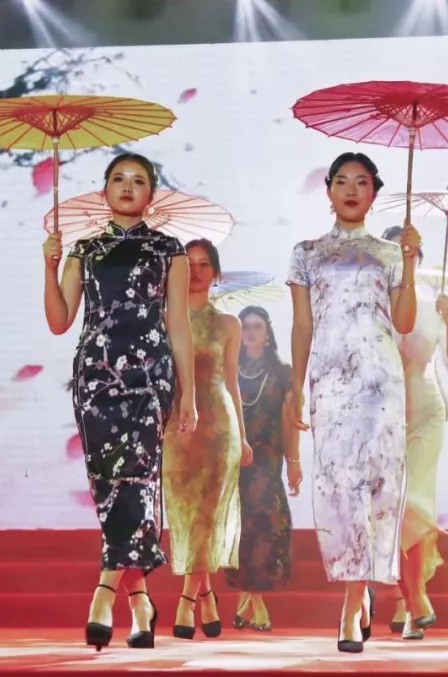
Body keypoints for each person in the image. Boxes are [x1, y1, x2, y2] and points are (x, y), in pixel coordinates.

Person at [42, 153, 197, 651]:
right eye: (118, 179)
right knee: (110, 485)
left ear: (151, 193)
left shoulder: (168, 249)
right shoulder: (85, 249)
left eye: (139, 181)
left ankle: (104, 592)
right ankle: (142, 604)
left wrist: (188, 394)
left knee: (137, 478)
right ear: (105, 189)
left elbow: (179, 325)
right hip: (95, 378)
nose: (128, 187)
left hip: (150, 378)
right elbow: (60, 321)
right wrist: (50, 265)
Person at [287, 152, 420, 653]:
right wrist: (296, 386)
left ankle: (351, 603)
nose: (350, 190)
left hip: (380, 382)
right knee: (338, 487)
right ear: (328, 191)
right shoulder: (306, 252)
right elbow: (302, 325)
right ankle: (359, 589)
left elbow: (403, 322)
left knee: (376, 485)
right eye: (341, 181)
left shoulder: (389, 253)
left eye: (361, 182)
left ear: (374, 193)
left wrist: (409, 263)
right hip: (330, 382)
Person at [162, 239, 253, 640]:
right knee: (186, 513)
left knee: (207, 514)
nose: (196, 272)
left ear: (216, 273)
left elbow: (232, 383)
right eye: (189, 264)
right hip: (176, 427)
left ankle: (186, 601)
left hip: (219, 427)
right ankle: (207, 594)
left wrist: (243, 438)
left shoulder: (229, 324)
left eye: (204, 265)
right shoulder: (163, 319)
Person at [380, 226, 448, 640]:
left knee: (416, 504)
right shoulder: (374, 305)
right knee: (392, 510)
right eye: (397, 252)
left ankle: (415, 599)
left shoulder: (433, 307)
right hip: (385, 414)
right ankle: (411, 601)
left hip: (427, 412)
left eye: (410, 252)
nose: (404, 258)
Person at [227, 305, 301, 632]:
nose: (251, 332)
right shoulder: (229, 370)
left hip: (268, 460)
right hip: (235, 460)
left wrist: (294, 462)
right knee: (243, 531)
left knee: (270, 528)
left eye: (257, 326)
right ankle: (255, 606)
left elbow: (290, 422)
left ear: (268, 332)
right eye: (245, 326)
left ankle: (249, 602)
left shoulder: (283, 373)